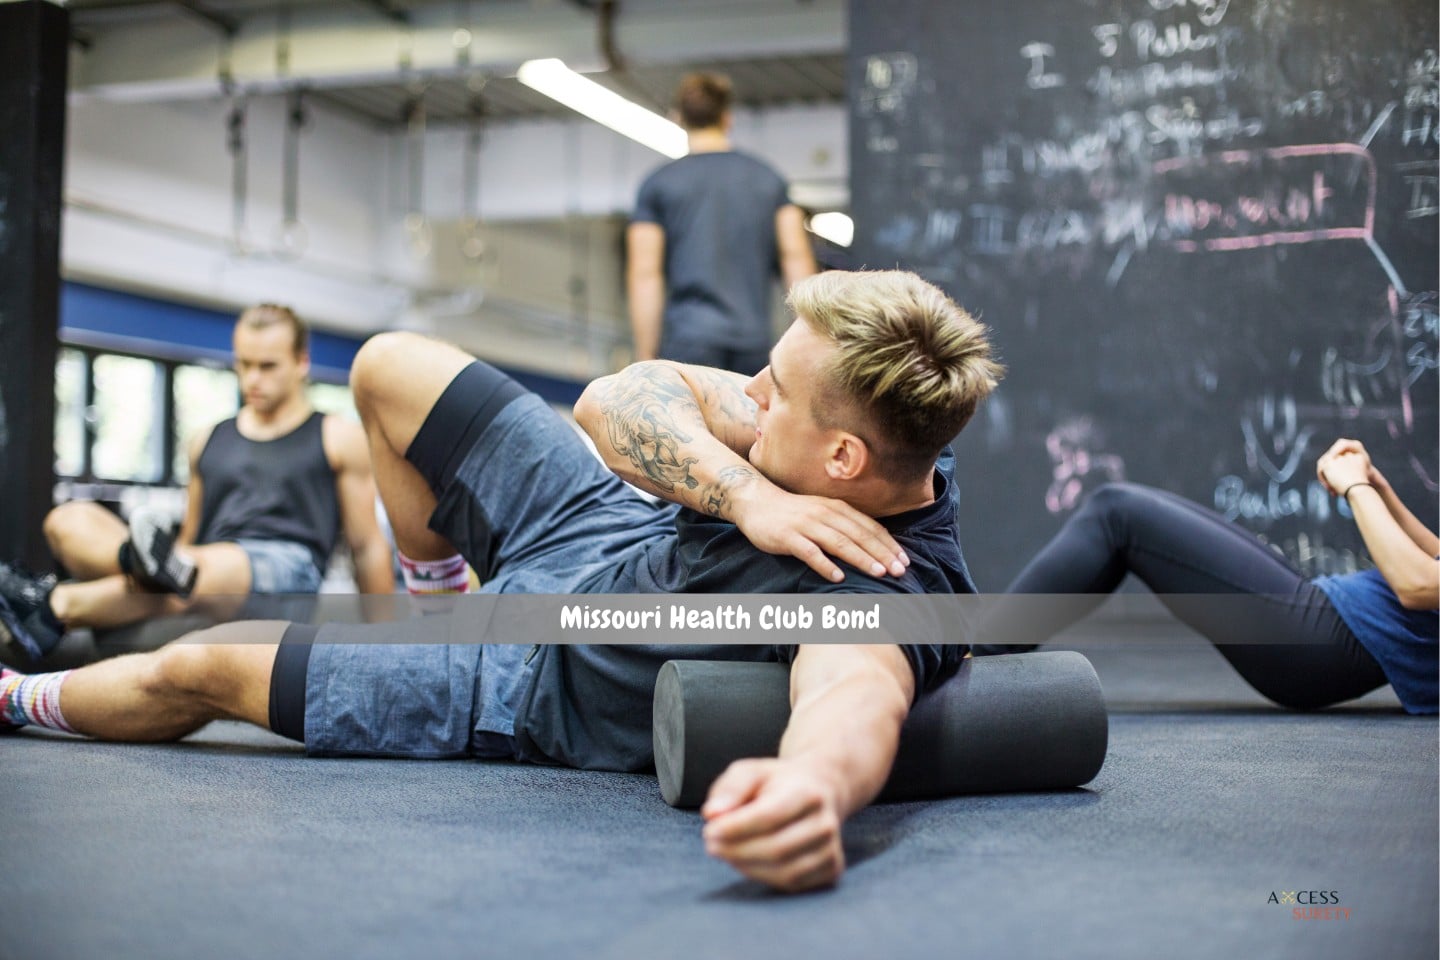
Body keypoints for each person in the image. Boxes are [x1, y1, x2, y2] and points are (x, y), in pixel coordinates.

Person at [0, 270, 1003, 893]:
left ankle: (12, 694)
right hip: (597, 525)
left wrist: (814, 787)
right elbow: (617, 400)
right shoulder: (817, 437)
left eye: (772, 393)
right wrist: (745, 495)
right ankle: (436, 602)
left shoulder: (886, 587)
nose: (750, 394)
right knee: (388, 367)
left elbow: (854, 693)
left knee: (202, 667)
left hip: (525, 671)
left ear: (841, 461)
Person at [0, 304, 395, 661]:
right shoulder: (207, 439)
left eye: (268, 366)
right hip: (203, 568)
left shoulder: (338, 436)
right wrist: (165, 569)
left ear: (301, 362)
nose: (252, 379)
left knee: (200, 566)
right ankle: (130, 567)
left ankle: (53, 604)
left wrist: (386, 643)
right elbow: (190, 537)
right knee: (68, 520)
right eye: (244, 364)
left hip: (286, 572)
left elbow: (366, 547)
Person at [973, 439, 1438, 714]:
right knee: (1118, 511)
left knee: (1117, 513)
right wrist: (1378, 487)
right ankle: (977, 656)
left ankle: (973, 661)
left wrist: (1355, 485)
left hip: (1323, 641)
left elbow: (1418, 586)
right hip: (1326, 616)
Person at [627, 72, 817, 375]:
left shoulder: (658, 184)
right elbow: (795, 257)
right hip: (752, 342)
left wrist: (645, 354)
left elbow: (645, 275)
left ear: (678, 118)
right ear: (727, 118)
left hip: (687, 341)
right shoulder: (768, 180)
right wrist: (810, 338)